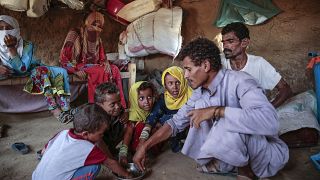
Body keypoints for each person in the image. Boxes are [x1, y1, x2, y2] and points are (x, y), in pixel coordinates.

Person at [133, 38, 289, 179]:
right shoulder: (199, 92)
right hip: (234, 156)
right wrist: (144, 146)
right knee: (199, 108)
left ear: (206, 65)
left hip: (264, 157)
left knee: (221, 116)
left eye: (188, 69)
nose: (185, 76)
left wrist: (217, 111)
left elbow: (270, 122)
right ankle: (227, 164)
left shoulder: (241, 81)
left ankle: (245, 173)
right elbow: (175, 123)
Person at [0, 15, 73, 123]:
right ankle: (54, 109)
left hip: (29, 71)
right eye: (1, 28)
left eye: (8, 28)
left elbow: (22, 69)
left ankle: (66, 108)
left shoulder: (27, 45)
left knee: (59, 71)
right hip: (5, 74)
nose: (5, 32)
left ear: (16, 29)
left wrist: (12, 49)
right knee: (42, 72)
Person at [32, 104, 131, 180]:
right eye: (100, 134)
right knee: (94, 167)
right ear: (85, 134)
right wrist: (127, 174)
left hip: (36, 176)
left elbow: (44, 151)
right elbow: (111, 164)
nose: (102, 136)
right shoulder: (88, 148)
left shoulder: (62, 133)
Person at [59, 11, 126, 108]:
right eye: (94, 24)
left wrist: (105, 62)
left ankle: (119, 105)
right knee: (100, 71)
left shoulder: (98, 39)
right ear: (86, 23)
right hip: (74, 65)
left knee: (114, 69)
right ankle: (97, 106)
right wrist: (76, 70)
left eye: (99, 26)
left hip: (92, 66)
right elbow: (63, 59)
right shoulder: (75, 33)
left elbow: (102, 58)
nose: (97, 28)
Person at [220, 22, 292, 108]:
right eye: (223, 42)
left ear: (244, 43)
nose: (225, 46)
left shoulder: (258, 63)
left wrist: (267, 110)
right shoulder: (218, 62)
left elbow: (286, 89)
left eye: (230, 41)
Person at [138, 66, 192, 152]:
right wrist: (142, 140)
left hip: (190, 133)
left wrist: (164, 120)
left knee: (164, 121)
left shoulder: (192, 96)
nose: (174, 87)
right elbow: (153, 117)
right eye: (170, 83)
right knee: (155, 125)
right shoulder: (164, 99)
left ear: (184, 81)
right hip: (172, 132)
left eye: (178, 82)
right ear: (165, 85)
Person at [118, 81, 156, 167]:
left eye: (149, 97)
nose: (146, 102)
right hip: (137, 146)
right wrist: (123, 153)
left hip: (150, 144)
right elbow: (128, 133)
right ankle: (136, 153)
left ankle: (149, 153)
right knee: (140, 126)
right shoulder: (133, 114)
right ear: (134, 99)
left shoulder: (156, 110)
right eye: (141, 98)